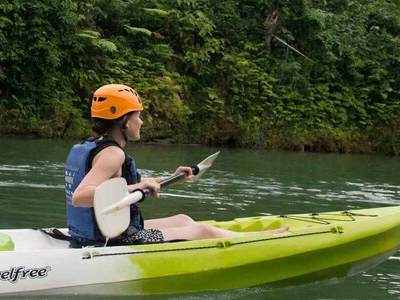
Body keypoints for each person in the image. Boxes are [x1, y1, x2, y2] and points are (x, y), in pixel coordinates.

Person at [65, 83, 288, 246]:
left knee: (183, 219)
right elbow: (81, 196)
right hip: (112, 239)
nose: (141, 122)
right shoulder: (113, 154)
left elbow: (116, 185)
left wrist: (168, 178)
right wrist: (135, 188)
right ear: (124, 120)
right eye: (138, 116)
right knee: (202, 230)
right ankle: (263, 240)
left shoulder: (96, 147)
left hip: (102, 231)